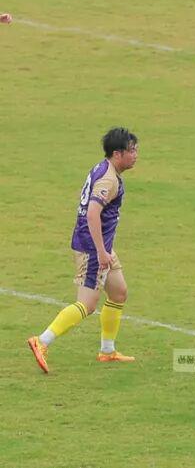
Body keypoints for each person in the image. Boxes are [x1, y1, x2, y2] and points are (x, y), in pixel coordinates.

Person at [27, 128, 140, 373]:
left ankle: (107, 351)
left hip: (101, 246)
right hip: (93, 248)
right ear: (117, 154)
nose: (136, 155)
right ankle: (41, 341)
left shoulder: (104, 168)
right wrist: (100, 252)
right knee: (87, 304)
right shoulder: (109, 180)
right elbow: (92, 213)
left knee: (119, 293)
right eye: (131, 151)